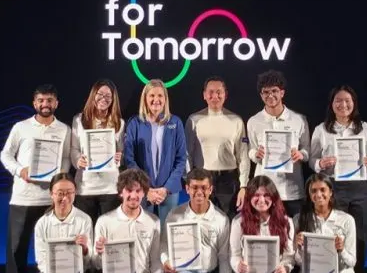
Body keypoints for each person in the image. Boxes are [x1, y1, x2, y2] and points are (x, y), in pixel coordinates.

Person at [0, 84, 71, 273]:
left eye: (49, 100)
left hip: (51, 200)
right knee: (16, 248)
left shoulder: (65, 130)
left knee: (56, 246)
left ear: (56, 103)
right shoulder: (21, 128)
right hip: (22, 197)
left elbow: (67, 159)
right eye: (41, 100)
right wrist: (20, 170)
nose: (45, 104)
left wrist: (58, 178)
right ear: (34, 103)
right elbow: (5, 155)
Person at [309, 85, 367, 273]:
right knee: (333, 238)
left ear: (354, 103)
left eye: (347, 101)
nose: (343, 105)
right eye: (338, 101)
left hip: (359, 188)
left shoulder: (365, 128)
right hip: (333, 187)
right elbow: (312, 160)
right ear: (331, 104)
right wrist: (321, 163)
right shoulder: (321, 129)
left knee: (359, 240)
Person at [92, 168, 171, 273]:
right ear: (121, 192)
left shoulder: (153, 222)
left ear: (144, 193)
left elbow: (156, 260)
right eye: (129, 190)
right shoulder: (105, 221)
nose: (133, 195)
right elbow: (96, 264)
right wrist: (99, 253)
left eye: (138, 191)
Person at [162, 168, 237, 273]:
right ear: (187, 189)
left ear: (211, 190)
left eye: (204, 187)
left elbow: (224, 258)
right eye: (195, 187)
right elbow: (164, 246)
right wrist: (165, 260)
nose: (199, 192)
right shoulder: (175, 215)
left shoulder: (221, 219)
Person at [246, 70, 310, 218]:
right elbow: (250, 150)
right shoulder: (253, 121)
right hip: (264, 191)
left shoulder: (299, 119)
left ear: (282, 93)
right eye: (265, 92)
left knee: (294, 230)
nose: (270, 95)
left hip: (292, 190)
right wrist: (256, 154)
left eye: (274, 91)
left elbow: (307, 150)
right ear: (261, 95)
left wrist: (300, 155)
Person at [123, 79, 187, 224]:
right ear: (145, 98)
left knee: (166, 234)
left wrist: (166, 188)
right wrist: (146, 189)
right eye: (152, 95)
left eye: (160, 96)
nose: (156, 100)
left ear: (165, 99)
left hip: (169, 191)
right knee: (144, 232)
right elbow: (129, 159)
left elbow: (181, 158)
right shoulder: (134, 124)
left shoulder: (175, 123)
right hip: (142, 190)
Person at [185, 76, 250, 216]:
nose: (215, 96)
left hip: (228, 180)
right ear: (204, 95)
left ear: (225, 95)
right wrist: (189, 180)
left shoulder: (236, 120)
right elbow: (187, 153)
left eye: (219, 92)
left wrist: (244, 185)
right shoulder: (193, 120)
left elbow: (243, 155)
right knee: (201, 219)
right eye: (211, 92)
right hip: (201, 178)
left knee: (227, 220)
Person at [70, 79, 125, 225]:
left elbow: (121, 151)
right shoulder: (79, 120)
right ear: (93, 95)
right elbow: (74, 148)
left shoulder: (119, 122)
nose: (103, 98)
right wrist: (77, 160)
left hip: (110, 187)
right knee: (86, 234)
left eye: (108, 96)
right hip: (85, 187)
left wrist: (119, 158)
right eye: (100, 94)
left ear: (113, 99)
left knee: (108, 234)